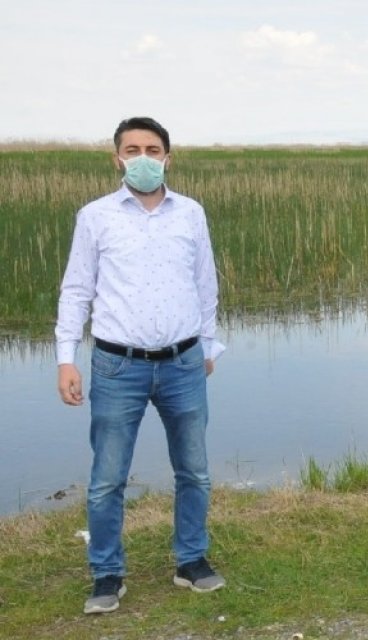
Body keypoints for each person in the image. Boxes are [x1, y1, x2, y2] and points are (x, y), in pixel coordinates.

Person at [55, 117, 228, 615]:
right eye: (132, 149)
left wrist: (207, 346)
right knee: (108, 477)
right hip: (116, 365)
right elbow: (76, 290)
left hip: (183, 363)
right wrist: (66, 359)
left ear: (168, 158)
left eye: (153, 149)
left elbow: (205, 284)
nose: (143, 157)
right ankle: (107, 573)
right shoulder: (95, 216)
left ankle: (191, 560)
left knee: (194, 470)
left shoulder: (191, 214)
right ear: (117, 158)